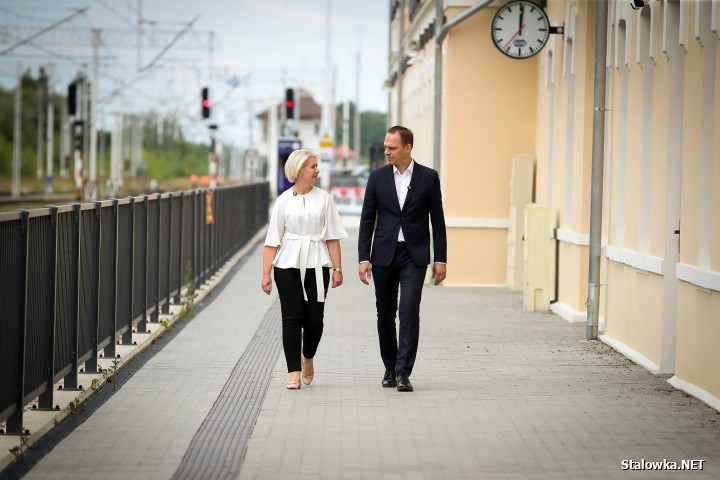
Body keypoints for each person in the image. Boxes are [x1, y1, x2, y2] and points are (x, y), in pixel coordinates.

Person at [358, 126, 447, 392]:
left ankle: (403, 371)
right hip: (384, 254)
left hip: (414, 255)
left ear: (407, 148)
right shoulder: (377, 177)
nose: (386, 152)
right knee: (385, 313)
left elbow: (438, 221)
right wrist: (364, 258)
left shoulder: (428, 177)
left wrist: (440, 258)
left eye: (392, 148)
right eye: (385, 147)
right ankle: (389, 367)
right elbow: (367, 220)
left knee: (408, 310)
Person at [261, 149, 348, 389]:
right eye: (313, 166)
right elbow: (272, 240)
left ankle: (307, 356)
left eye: (317, 165)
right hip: (287, 264)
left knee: (314, 321)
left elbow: (332, 237)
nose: (317, 170)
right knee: (291, 318)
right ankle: (293, 373)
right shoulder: (283, 201)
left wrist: (338, 268)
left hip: (317, 263)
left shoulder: (324, 198)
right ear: (299, 170)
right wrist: (266, 273)